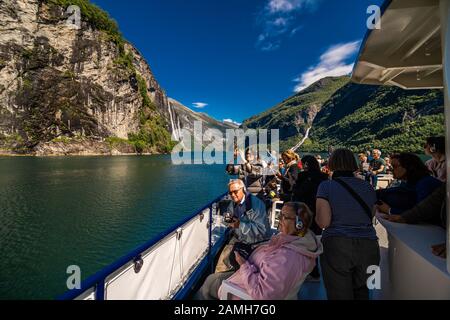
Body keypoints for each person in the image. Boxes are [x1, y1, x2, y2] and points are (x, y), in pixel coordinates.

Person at [197, 202, 323, 300]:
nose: (279, 219)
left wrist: (243, 264)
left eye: (284, 217)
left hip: (245, 288)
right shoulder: (296, 241)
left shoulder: (288, 257)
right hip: (253, 272)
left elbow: (263, 295)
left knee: (209, 283)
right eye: (280, 215)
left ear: (298, 224)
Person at [315, 148, 380, 300]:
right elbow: (370, 215)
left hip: (337, 246)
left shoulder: (326, 187)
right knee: (364, 293)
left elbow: (324, 222)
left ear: (331, 164)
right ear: (354, 163)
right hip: (369, 246)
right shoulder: (368, 187)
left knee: (339, 295)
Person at [214, 179, 272, 273]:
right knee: (220, 267)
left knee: (250, 270)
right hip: (239, 238)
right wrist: (227, 219)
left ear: (243, 190)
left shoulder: (256, 205)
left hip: (257, 243)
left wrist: (239, 225)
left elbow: (262, 230)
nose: (232, 195)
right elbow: (229, 217)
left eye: (235, 191)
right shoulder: (233, 203)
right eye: (230, 192)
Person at [380, 184, 447, 259]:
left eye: (393, 170)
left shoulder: (425, 185)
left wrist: (391, 211)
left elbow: (430, 205)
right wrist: (405, 217)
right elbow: (432, 202)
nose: (392, 171)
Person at [292, 155, 328, 280]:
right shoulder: (324, 177)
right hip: (318, 211)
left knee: (301, 241)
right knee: (315, 241)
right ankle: (315, 270)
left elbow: (297, 193)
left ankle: (305, 271)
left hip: (303, 213)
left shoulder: (302, 176)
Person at [377, 153, 443, 215]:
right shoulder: (407, 183)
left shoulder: (425, 183)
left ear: (408, 167)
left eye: (395, 166)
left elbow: (423, 212)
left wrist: (389, 210)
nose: (391, 170)